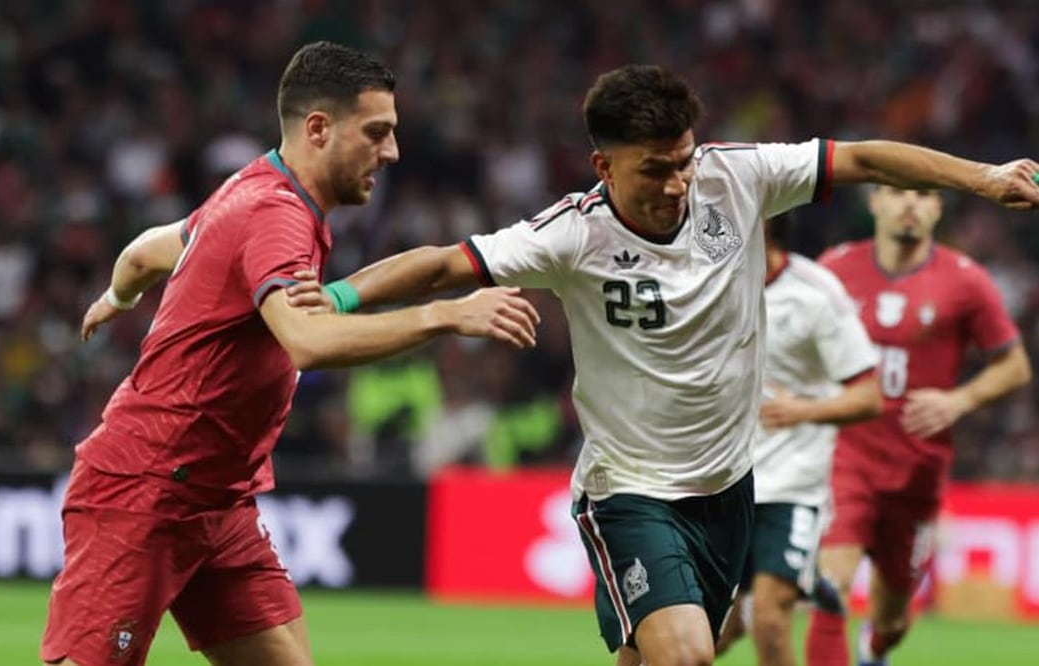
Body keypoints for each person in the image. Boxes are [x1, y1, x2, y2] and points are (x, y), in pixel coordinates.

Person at [294, 65, 1039, 666]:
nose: (677, 184)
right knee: (685, 655)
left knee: (659, 655)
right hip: (630, 492)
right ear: (602, 166)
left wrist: (982, 178)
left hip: (726, 489)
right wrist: (339, 295)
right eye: (654, 170)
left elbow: (866, 157)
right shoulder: (570, 235)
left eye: (682, 162)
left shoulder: (737, 176)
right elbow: (440, 267)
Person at [41, 41, 540, 666]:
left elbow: (145, 252)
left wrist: (117, 295)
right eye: (378, 132)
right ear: (318, 128)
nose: (392, 152)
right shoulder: (273, 213)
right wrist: (445, 316)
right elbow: (306, 342)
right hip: (144, 490)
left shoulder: (248, 191)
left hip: (216, 503)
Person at [805, 186, 1033, 666]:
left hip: (918, 470)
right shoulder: (833, 268)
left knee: (893, 619)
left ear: (937, 209)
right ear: (875, 202)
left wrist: (959, 400)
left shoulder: (965, 280)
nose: (910, 203)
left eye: (924, 194)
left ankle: (875, 647)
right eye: (897, 191)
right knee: (832, 586)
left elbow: (1015, 366)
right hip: (845, 455)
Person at [714, 215, 882, 666]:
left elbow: (869, 396)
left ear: (763, 226)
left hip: (791, 483)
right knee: (707, 632)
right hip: (720, 479)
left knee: (769, 616)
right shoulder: (708, 285)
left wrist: (802, 410)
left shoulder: (815, 292)